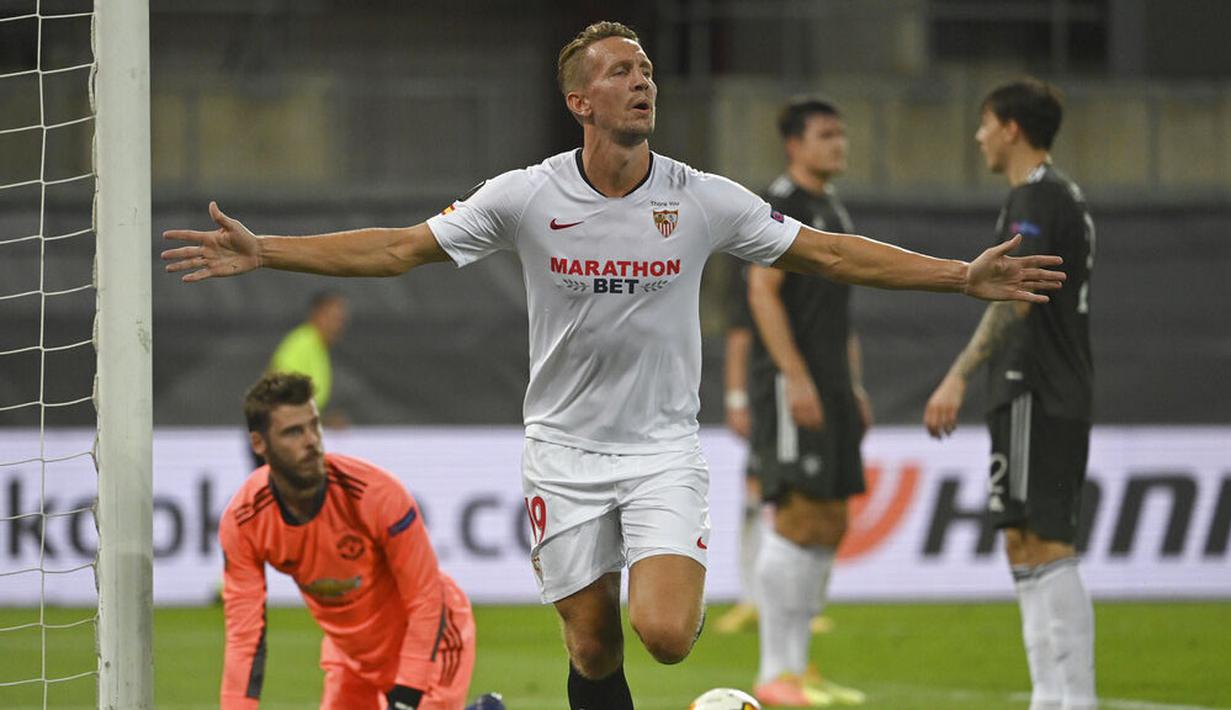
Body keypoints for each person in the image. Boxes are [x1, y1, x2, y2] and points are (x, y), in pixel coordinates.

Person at [164, 22, 1065, 710]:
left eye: (647, 71)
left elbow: (826, 254)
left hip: (662, 448)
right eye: (620, 72)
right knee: (592, 648)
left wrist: (959, 276)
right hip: (561, 449)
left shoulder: (701, 199)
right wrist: (268, 250)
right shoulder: (525, 195)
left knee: (664, 635)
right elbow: (400, 249)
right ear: (580, 102)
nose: (642, 82)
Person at [923, 78, 1095, 710]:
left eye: (985, 122)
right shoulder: (1053, 196)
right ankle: (1050, 695)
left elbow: (1015, 299)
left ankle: (1070, 698)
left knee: (1046, 539)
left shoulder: (1037, 197)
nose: (978, 136)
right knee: (1023, 539)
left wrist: (958, 374)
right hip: (1037, 389)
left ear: (1012, 129)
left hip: (1036, 388)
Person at [219, 373, 475, 709]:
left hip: (434, 643)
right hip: (351, 657)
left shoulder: (377, 494)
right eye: (294, 431)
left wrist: (410, 689)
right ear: (259, 444)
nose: (311, 441)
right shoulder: (244, 521)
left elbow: (425, 599)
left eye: (314, 425)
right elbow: (245, 636)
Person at [744, 97, 870, 707]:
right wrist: (794, 377)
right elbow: (762, 292)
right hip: (792, 382)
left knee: (833, 518)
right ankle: (775, 674)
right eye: (826, 134)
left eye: (840, 133)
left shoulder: (832, 210)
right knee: (796, 514)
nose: (838, 145)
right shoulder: (781, 208)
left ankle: (800, 669)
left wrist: (854, 383)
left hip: (834, 384)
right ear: (794, 144)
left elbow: (841, 315)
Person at [268, 291, 348, 420]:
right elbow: (281, 390)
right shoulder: (301, 343)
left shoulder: (319, 347)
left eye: (341, 320)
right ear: (317, 315)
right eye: (334, 318)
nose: (339, 326)